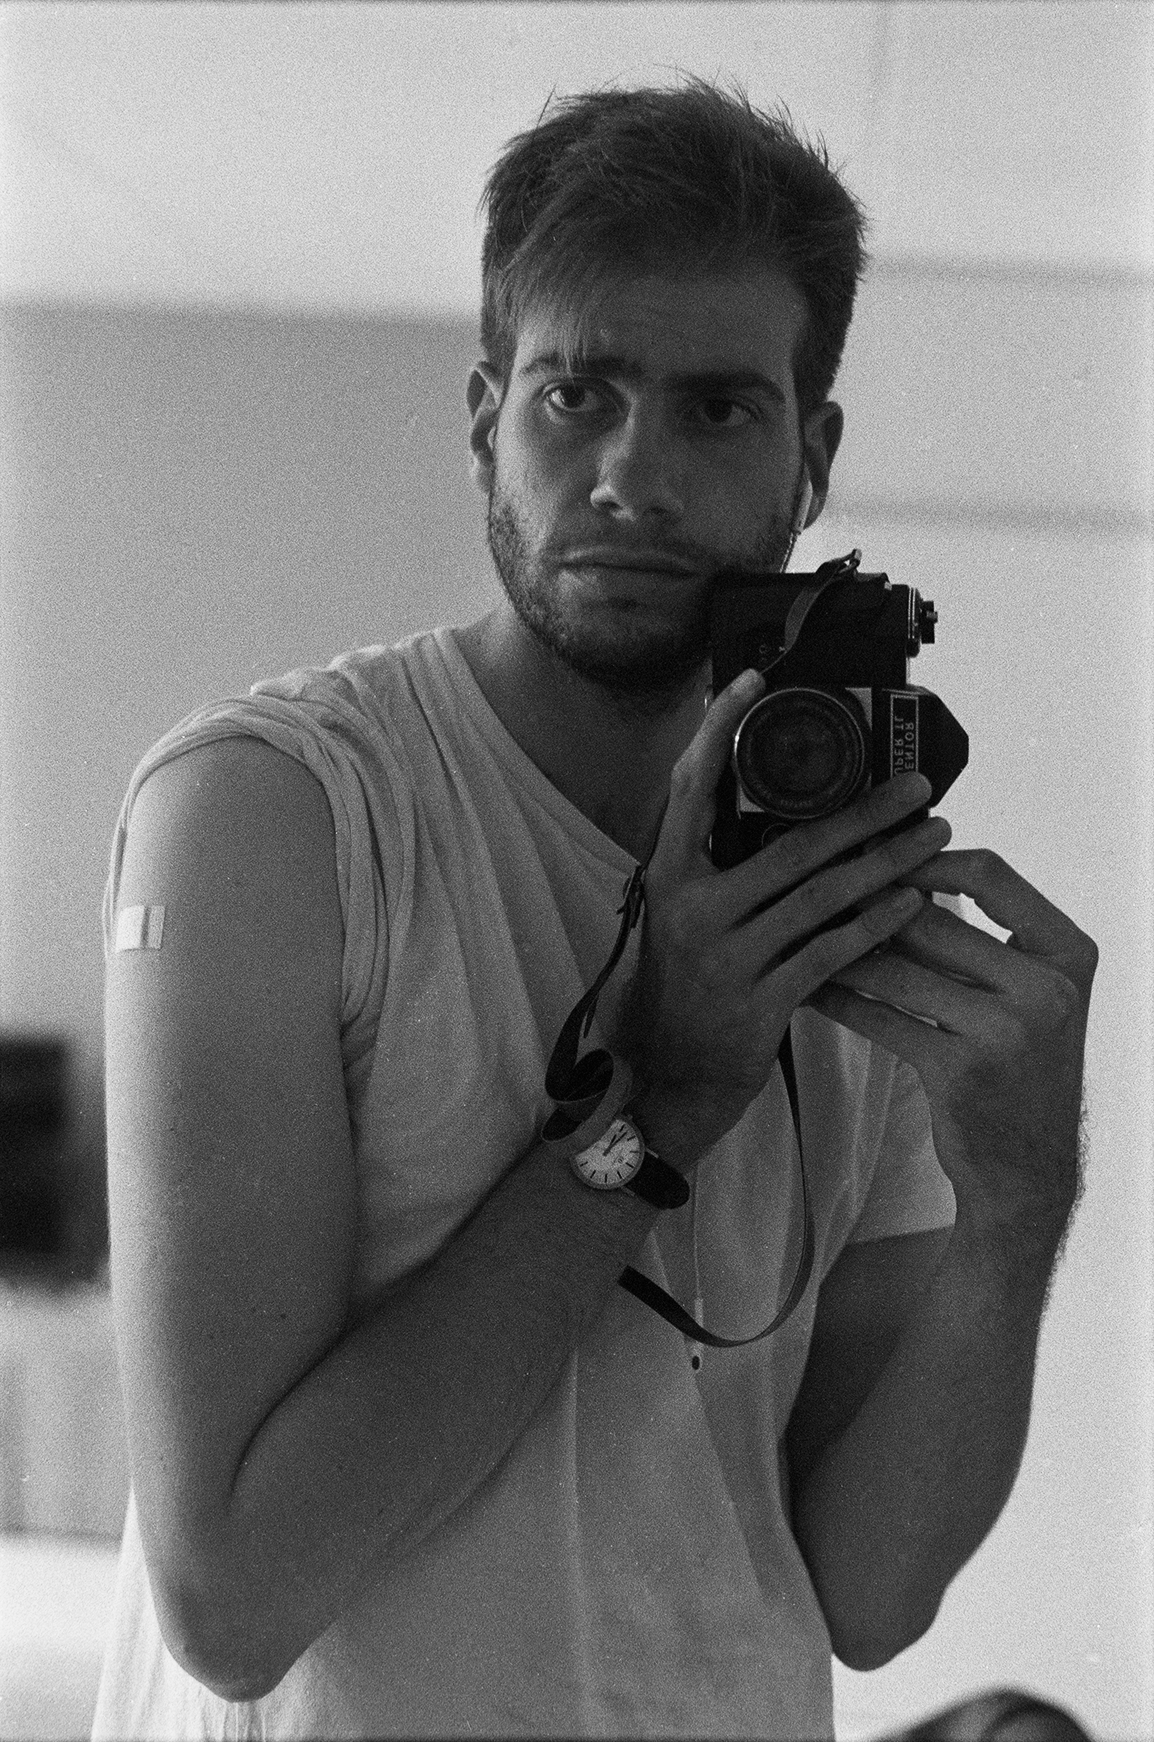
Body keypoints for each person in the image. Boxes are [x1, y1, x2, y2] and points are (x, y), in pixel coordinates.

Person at [93, 81, 1097, 1740]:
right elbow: (235, 1596)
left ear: (810, 456)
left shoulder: (837, 875)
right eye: (577, 394)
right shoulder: (279, 815)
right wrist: (666, 1098)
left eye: (716, 409)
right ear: (485, 418)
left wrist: (1018, 1193)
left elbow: (867, 1589)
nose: (632, 473)